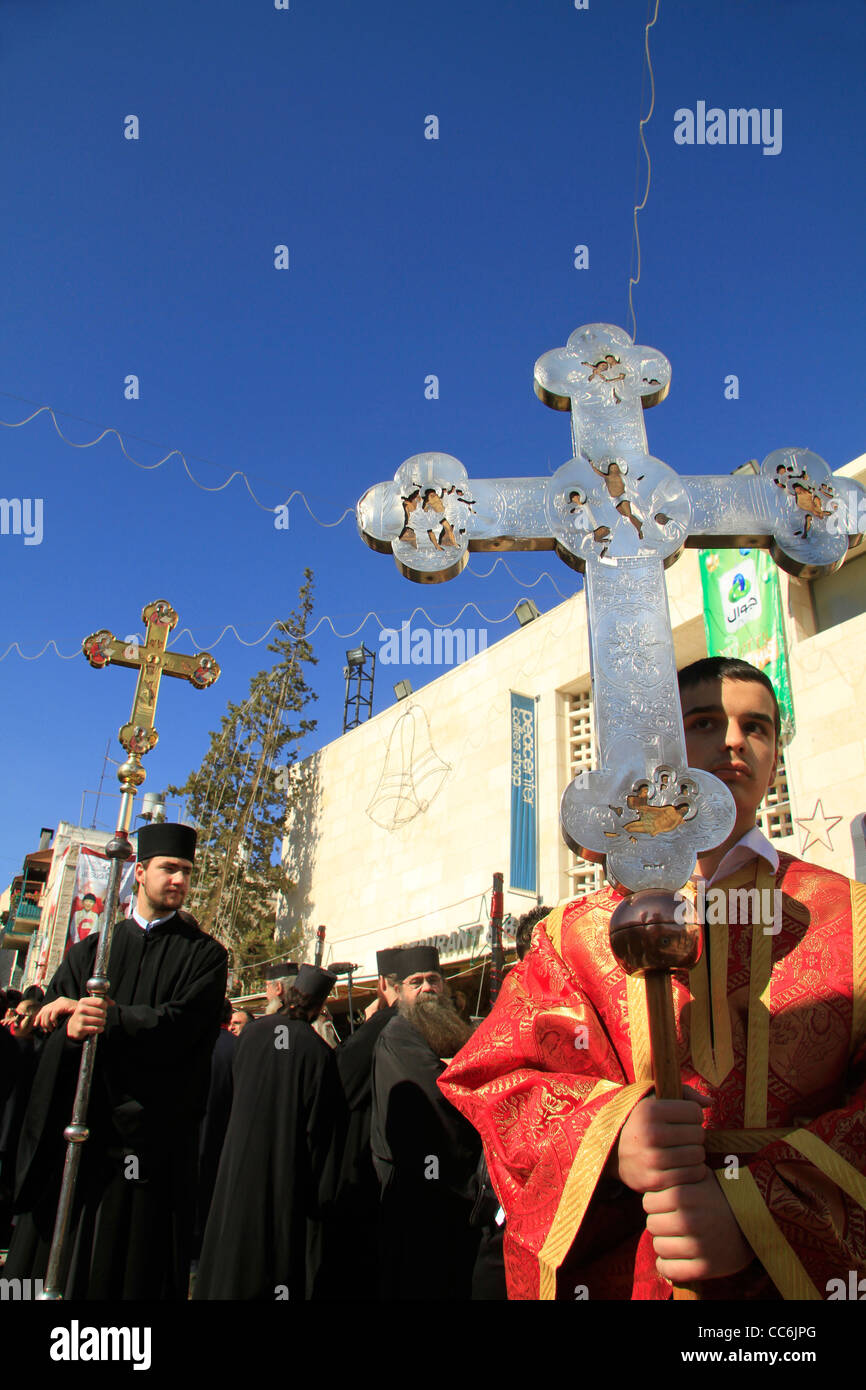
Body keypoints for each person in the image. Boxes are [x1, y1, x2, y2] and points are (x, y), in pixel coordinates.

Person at [440, 657, 866, 1300]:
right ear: (663, 750)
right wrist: (610, 1136)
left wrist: (758, 1214)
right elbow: (495, 1077)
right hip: (638, 1265)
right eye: (704, 722)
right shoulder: (576, 932)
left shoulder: (850, 916)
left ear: (775, 754)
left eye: (756, 726)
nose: (733, 740)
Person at [4, 822, 227, 1299]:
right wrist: (66, 1027)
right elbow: (52, 1028)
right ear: (140, 871)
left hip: (147, 1144)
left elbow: (183, 1025)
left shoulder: (206, 957)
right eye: (168, 869)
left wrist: (109, 1018)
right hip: (81, 1136)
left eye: (186, 872)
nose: (179, 881)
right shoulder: (90, 951)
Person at [194, 963, 347, 1301]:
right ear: (319, 1007)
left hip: (236, 1161)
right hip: (282, 1172)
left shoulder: (252, 1033)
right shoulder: (318, 1053)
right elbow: (321, 1131)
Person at [371, 945, 481, 1300]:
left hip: (458, 1196)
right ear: (399, 991)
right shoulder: (398, 1034)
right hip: (420, 1194)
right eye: (415, 982)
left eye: (433, 980)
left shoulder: (458, 1030)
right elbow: (437, 1098)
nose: (426, 988)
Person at [332, 948, 402, 1289]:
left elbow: (342, 1076)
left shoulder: (385, 1024)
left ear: (382, 986)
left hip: (371, 1164)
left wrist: (371, 1020)